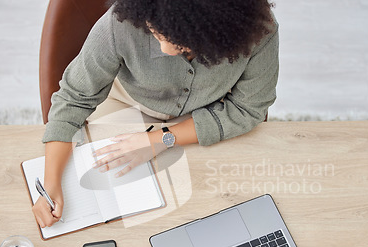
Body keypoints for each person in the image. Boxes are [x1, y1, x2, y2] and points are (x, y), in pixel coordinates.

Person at [32, 0, 279, 228]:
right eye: (156, 32)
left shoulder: (259, 31)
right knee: (115, 209)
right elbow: (73, 97)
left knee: (208, 212)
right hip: (126, 103)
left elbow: (248, 108)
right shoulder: (120, 23)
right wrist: (51, 181)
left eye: (181, 43)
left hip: (203, 116)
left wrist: (160, 139)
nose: (165, 49)